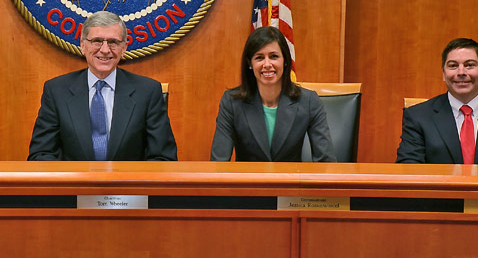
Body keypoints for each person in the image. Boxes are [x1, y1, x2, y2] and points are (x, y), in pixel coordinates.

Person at [28, 11, 177, 161]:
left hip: (128, 183)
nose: (105, 50)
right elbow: (41, 155)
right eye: (97, 41)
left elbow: (164, 158)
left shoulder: (148, 92)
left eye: (113, 42)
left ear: (124, 47)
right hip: (74, 183)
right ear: (83, 45)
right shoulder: (56, 91)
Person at [210, 26, 335, 162]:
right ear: (249, 63)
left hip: (290, 181)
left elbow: (326, 163)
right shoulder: (231, 102)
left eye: (274, 56)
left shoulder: (309, 101)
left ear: (285, 60)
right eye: (259, 58)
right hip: (249, 183)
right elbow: (219, 163)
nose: (267, 64)